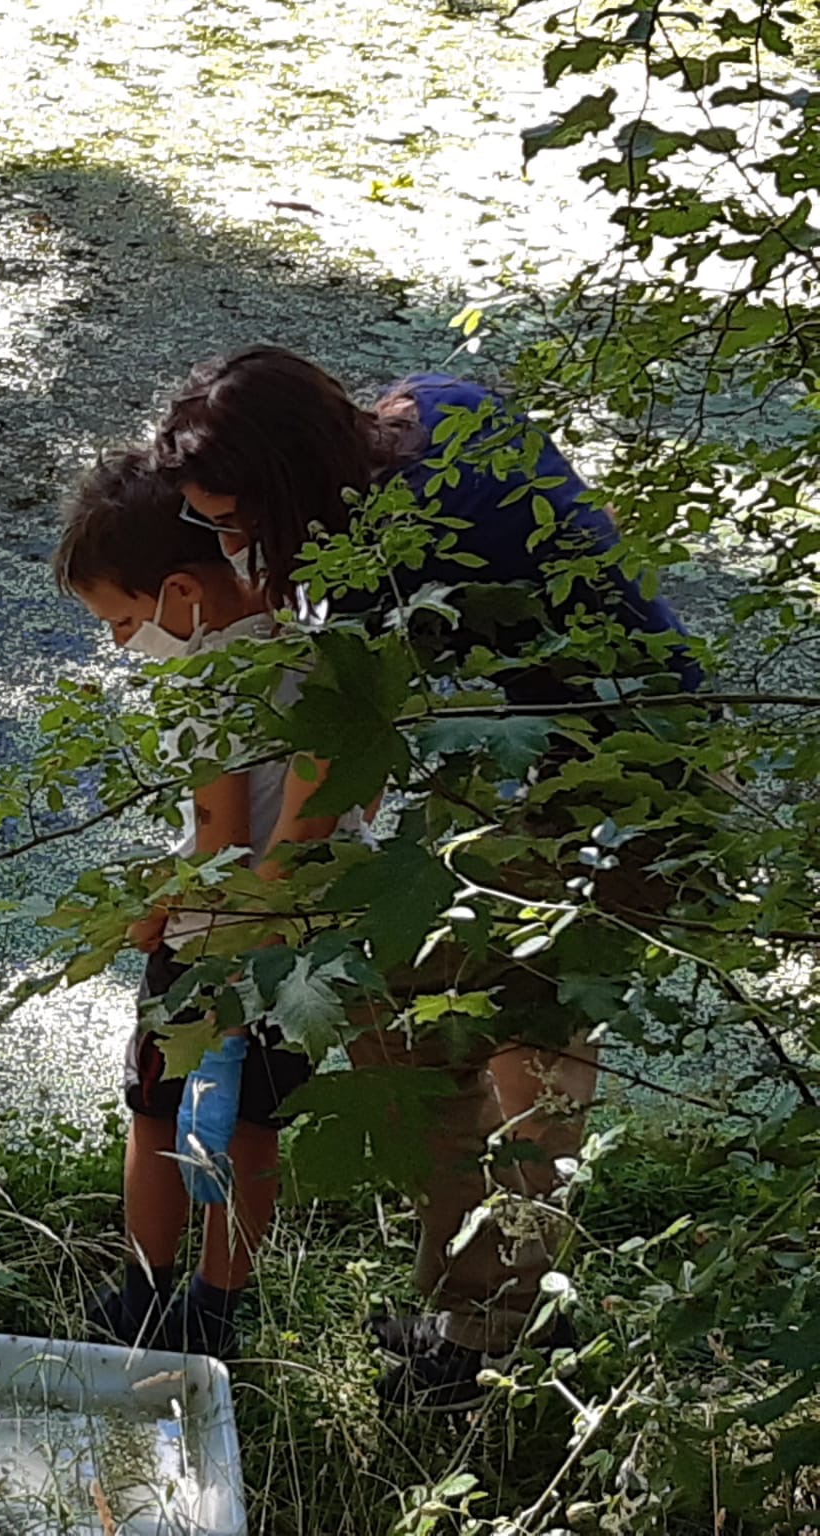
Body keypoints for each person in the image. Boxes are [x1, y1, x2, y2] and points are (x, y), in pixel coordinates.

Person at [153, 345, 701, 1410]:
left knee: (521, 1046)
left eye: (232, 522)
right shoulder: (434, 407)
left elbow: (331, 772)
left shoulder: (373, 558)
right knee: (416, 1021)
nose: (228, 547)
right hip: (552, 766)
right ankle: (468, 1315)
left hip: (617, 783)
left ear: (290, 482)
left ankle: (493, 1345)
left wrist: (257, 906)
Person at [55, 451, 357, 1360]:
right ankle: (218, 1308)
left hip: (208, 941)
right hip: (301, 943)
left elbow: (221, 838)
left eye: (121, 620)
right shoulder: (318, 647)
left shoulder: (208, 682)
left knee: (157, 1115)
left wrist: (149, 910)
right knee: (252, 1130)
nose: (120, 644)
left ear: (181, 591)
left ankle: (142, 1291)